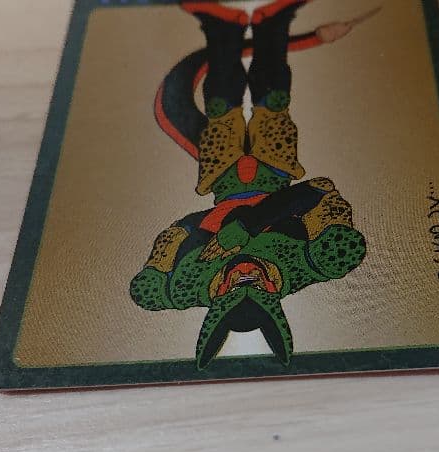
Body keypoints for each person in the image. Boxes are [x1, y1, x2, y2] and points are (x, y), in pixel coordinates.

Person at [130, 0, 368, 369]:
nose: (245, 273)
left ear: (218, 291)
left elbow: (156, 277)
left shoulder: (189, 284)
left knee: (221, 111)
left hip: (223, 176)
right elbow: (319, 191)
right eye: (255, 284)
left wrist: (200, 230)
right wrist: (251, 223)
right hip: (273, 169)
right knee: (272, 104)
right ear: (273, 288)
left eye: (235, 285)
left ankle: (222, 28)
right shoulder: (306, 264)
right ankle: (273, 24)